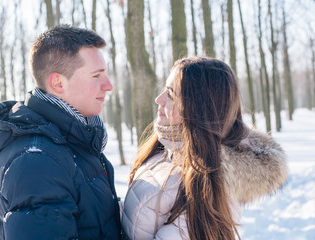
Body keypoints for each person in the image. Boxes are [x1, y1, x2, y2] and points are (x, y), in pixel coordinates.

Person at [121, 57, 288, 240]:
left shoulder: (205, 184)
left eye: (170, 95)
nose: (158, 99)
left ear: (198, 109)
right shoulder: (165, 150)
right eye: (164, 90)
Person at [0, 25, 121, 239]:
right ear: (58, 82)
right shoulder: (36, 161)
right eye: (96, 75)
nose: (108, 85)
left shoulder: (74, 140)